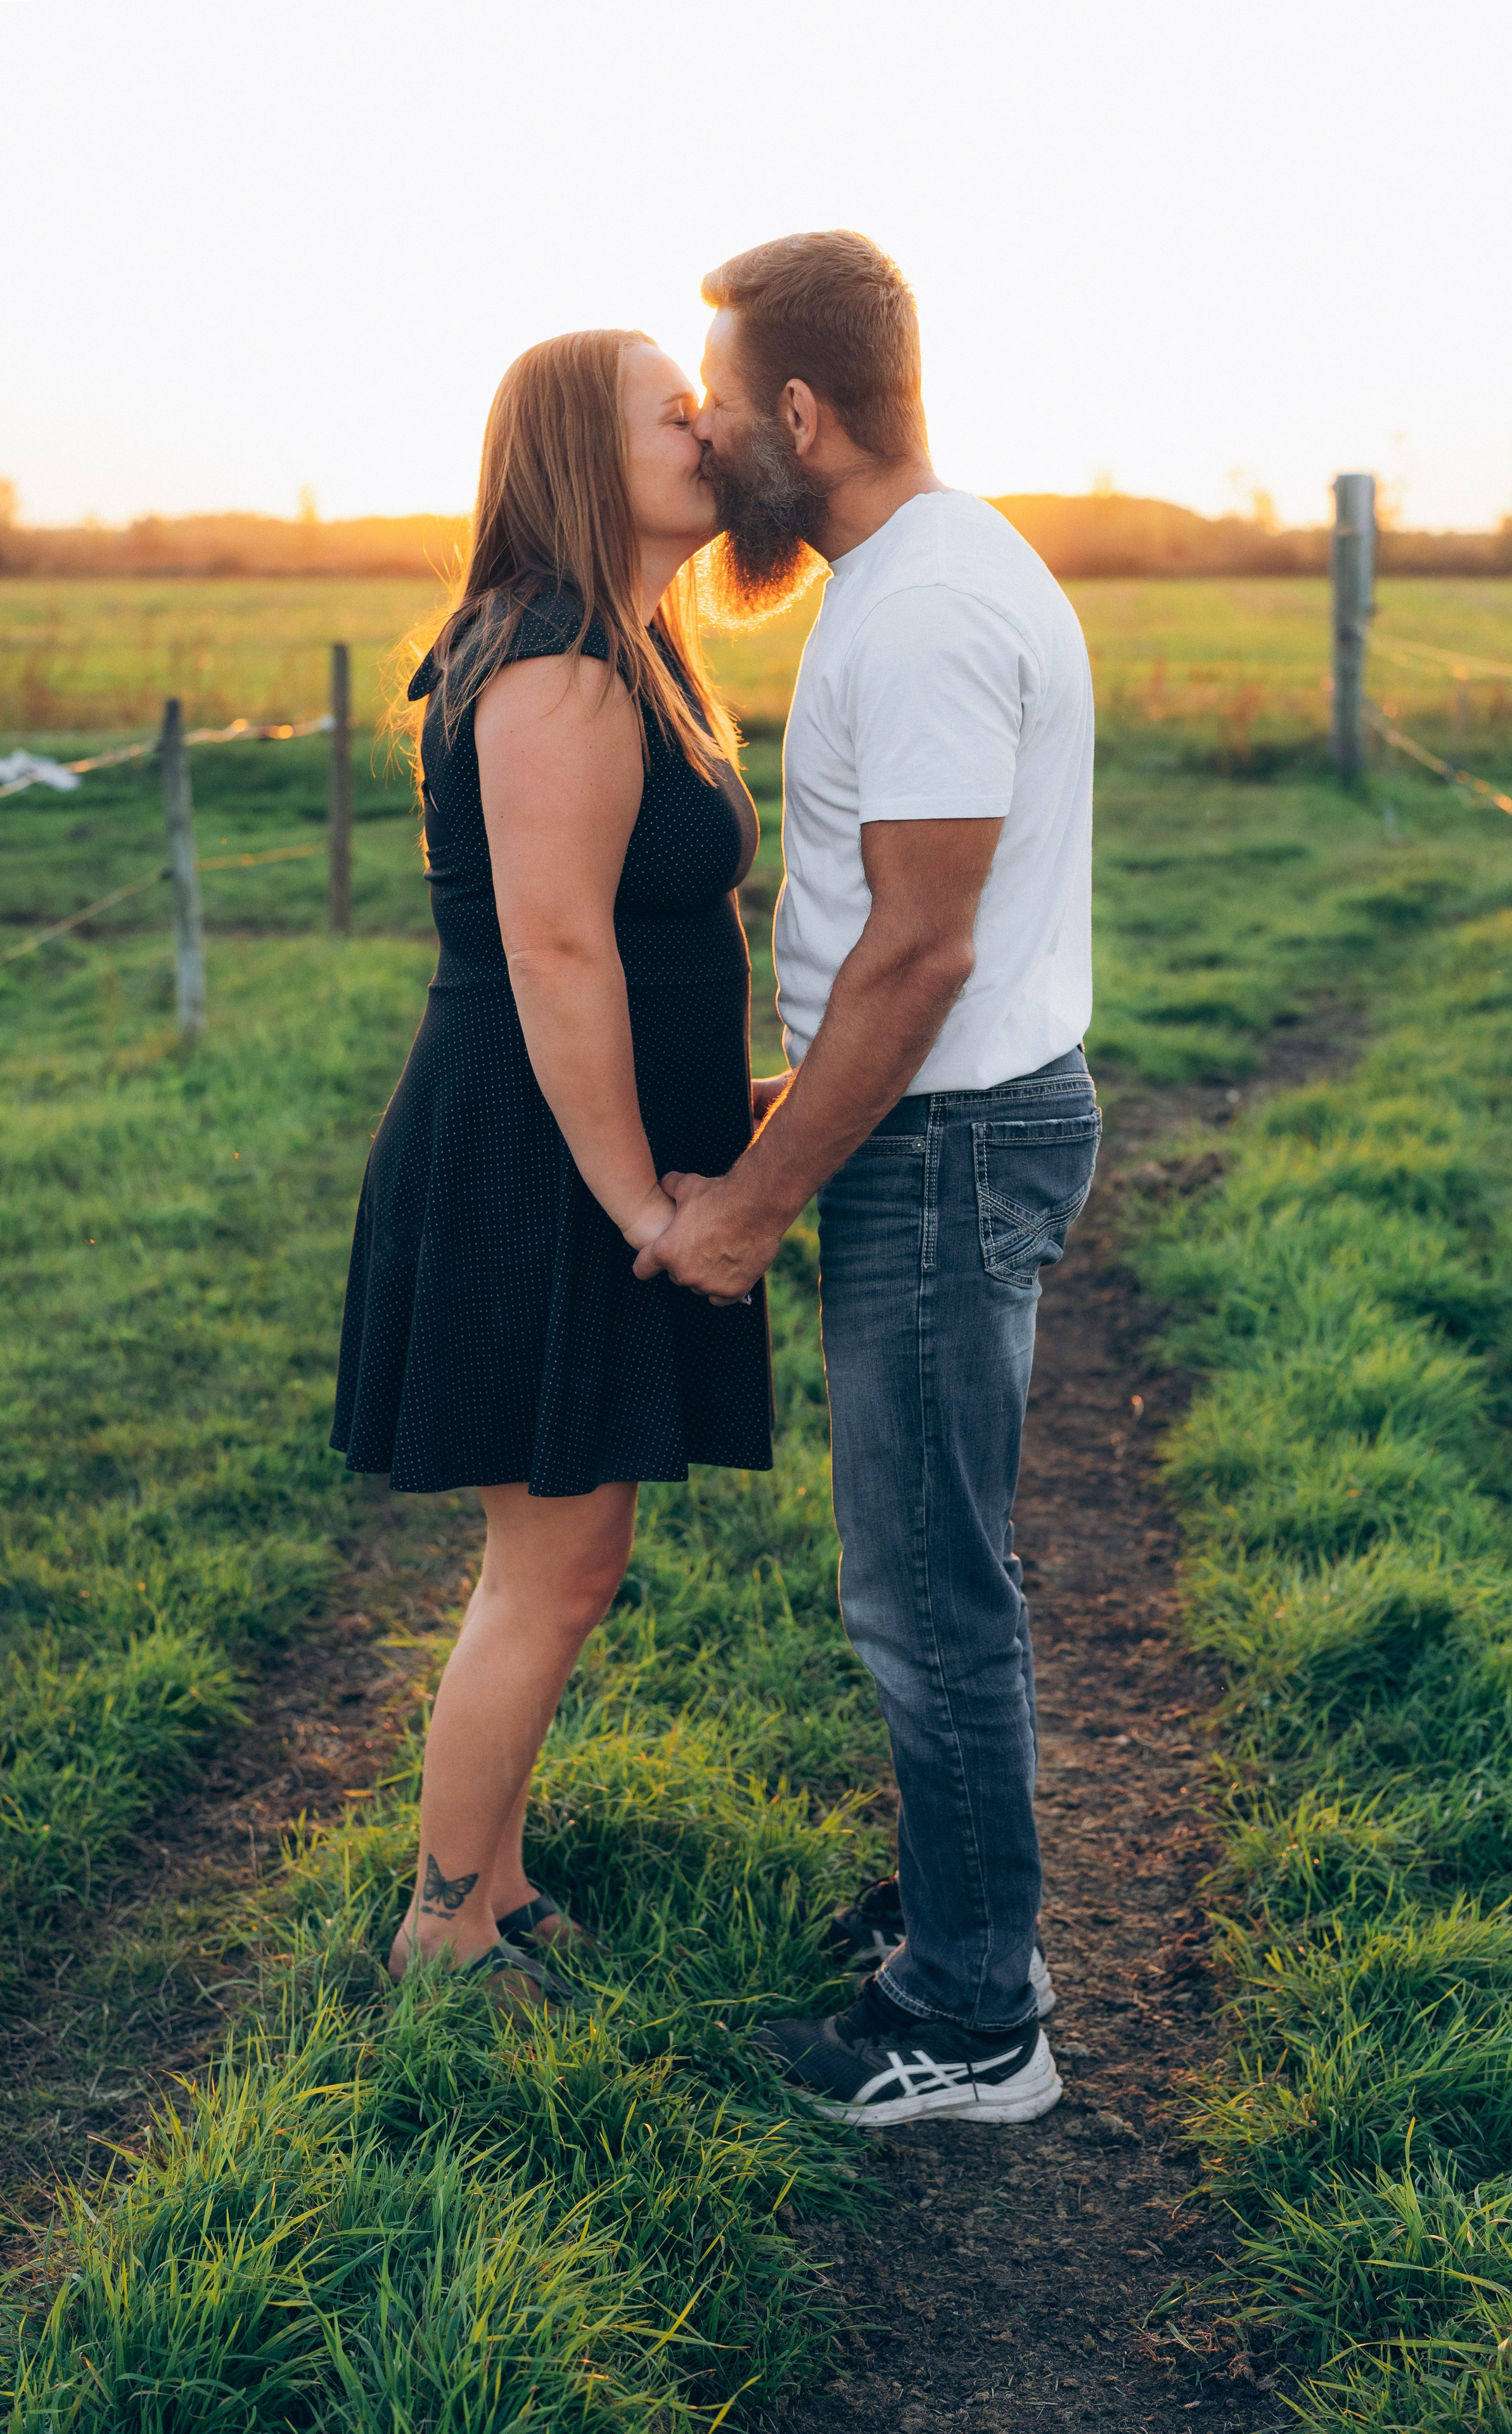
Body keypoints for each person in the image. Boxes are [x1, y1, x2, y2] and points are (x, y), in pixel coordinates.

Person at [636, 232, 1097, 2125]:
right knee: (935, 1568)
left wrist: (747, 1207)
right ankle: (966, 1916)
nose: (712, 434)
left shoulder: (910, 612)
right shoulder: (938, 569)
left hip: (948, 1139)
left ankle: (977, 2019)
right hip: (956, 1117)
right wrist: (788, 1087)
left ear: (802, 415)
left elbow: (922, 953)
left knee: (924, 1589)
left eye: (725, 404)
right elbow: (891, 956)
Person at [330, 330, 774, 2000]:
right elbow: (555, 954)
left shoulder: (627, 645)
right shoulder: (560, 659)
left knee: (570, 1551)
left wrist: (716, 1111)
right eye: (673, 415)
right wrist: (645, 1197)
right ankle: (444, 1923)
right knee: (555, 1557)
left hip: (586, 1144)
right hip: (539, 1158)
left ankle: (497, 1885)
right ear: (584, 457)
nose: (710, 429)